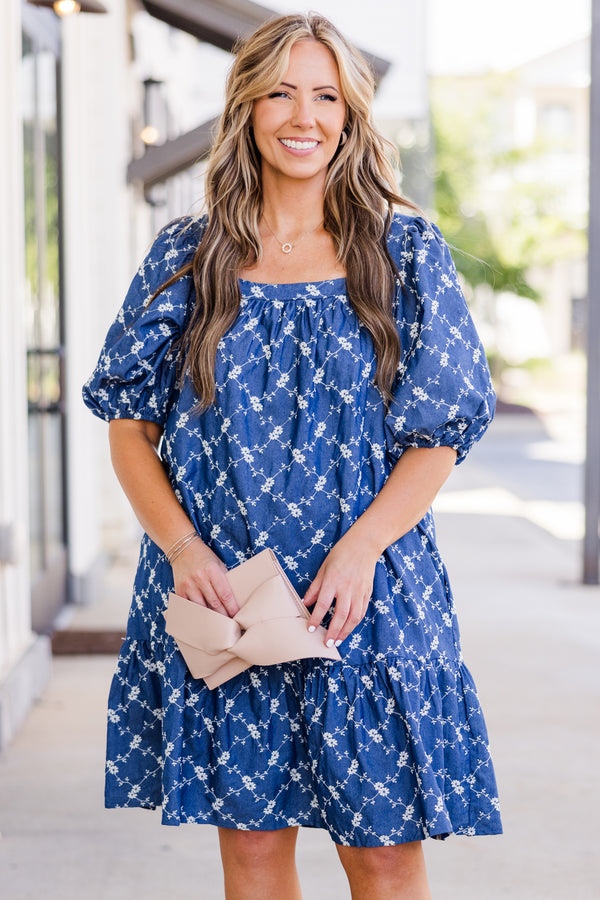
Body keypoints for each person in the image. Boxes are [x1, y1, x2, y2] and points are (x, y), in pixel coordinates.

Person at [83, 12, 502, 899]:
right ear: (248, 108)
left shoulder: (405, 252)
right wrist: (184, 550)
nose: (302, 115)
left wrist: (362, 548)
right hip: (227, 590)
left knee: (386, 852)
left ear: (350, 115)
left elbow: (438, 437)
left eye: (325, 94)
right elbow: (130, 429)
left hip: (368, 595)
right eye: (280, 91)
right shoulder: (187, 257)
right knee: (256, 848)